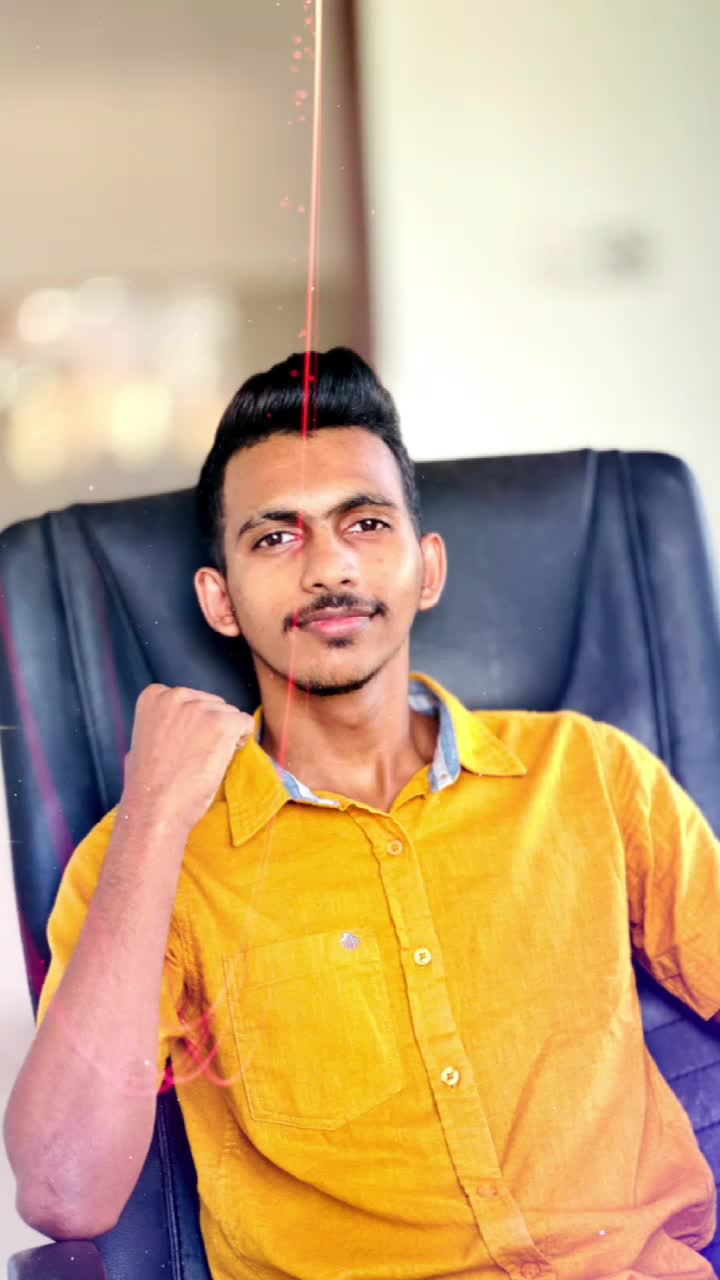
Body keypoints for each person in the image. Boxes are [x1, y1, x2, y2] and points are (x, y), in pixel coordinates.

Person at [4, 347, 720, 1280]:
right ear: (220, 601)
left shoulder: (591, 771)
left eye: (366, 523)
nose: (330, 566)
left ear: (428, 569)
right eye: (275, 538)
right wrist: (152, 820)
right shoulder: (150, 849)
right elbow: (63, 1192)